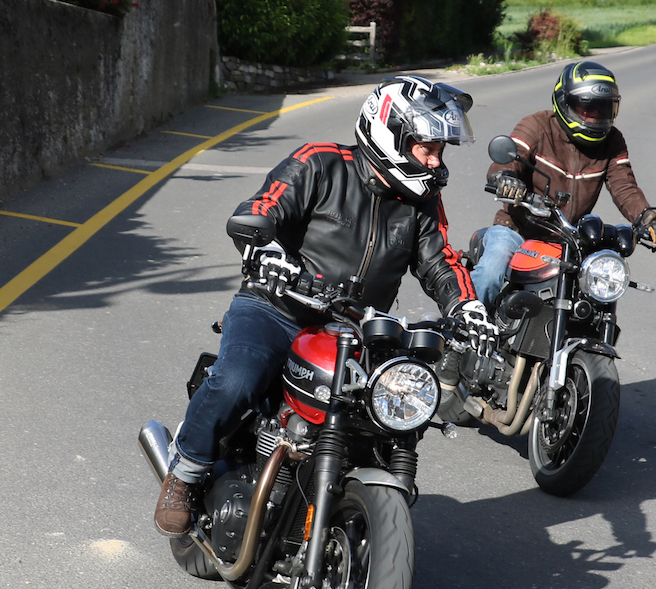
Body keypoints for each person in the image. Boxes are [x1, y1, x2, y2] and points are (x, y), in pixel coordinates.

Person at [153, 75, 498, 536]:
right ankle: (187, 470)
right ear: (389, 133)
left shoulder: (421, 204)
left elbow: (441, 263)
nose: (436, 162)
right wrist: (266, 250)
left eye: (440, 150)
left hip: (355, 330)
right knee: (237, 378)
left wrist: (467, 307)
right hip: (276, 308)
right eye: (426, 148)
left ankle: (364, 505)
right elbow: (263, 208)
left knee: (398, 407)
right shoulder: (320, 163)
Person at [470, 60, 656, 310]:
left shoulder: (612, 141)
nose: (594, 116)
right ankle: (467, 328)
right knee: (491, 271)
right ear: (564, 102)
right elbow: (511, 158)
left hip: (570, 240)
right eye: (586, 108)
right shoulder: (537, 126)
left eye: (602, 109)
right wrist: (506, 179)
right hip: (518, 230)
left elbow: (625, 186)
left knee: (600, 288)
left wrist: (648, 220)